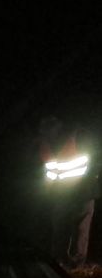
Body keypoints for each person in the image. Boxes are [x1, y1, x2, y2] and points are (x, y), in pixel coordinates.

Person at [38, 115, 99, 268]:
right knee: (67, 232)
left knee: (74, 232)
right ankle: (64, 266)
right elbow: (51, 171)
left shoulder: (76, 138)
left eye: (47, 129)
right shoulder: (47, 144)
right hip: (69, 195)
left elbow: (94, 161)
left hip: (79, 194)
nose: (44, 133)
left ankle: (72, 267)